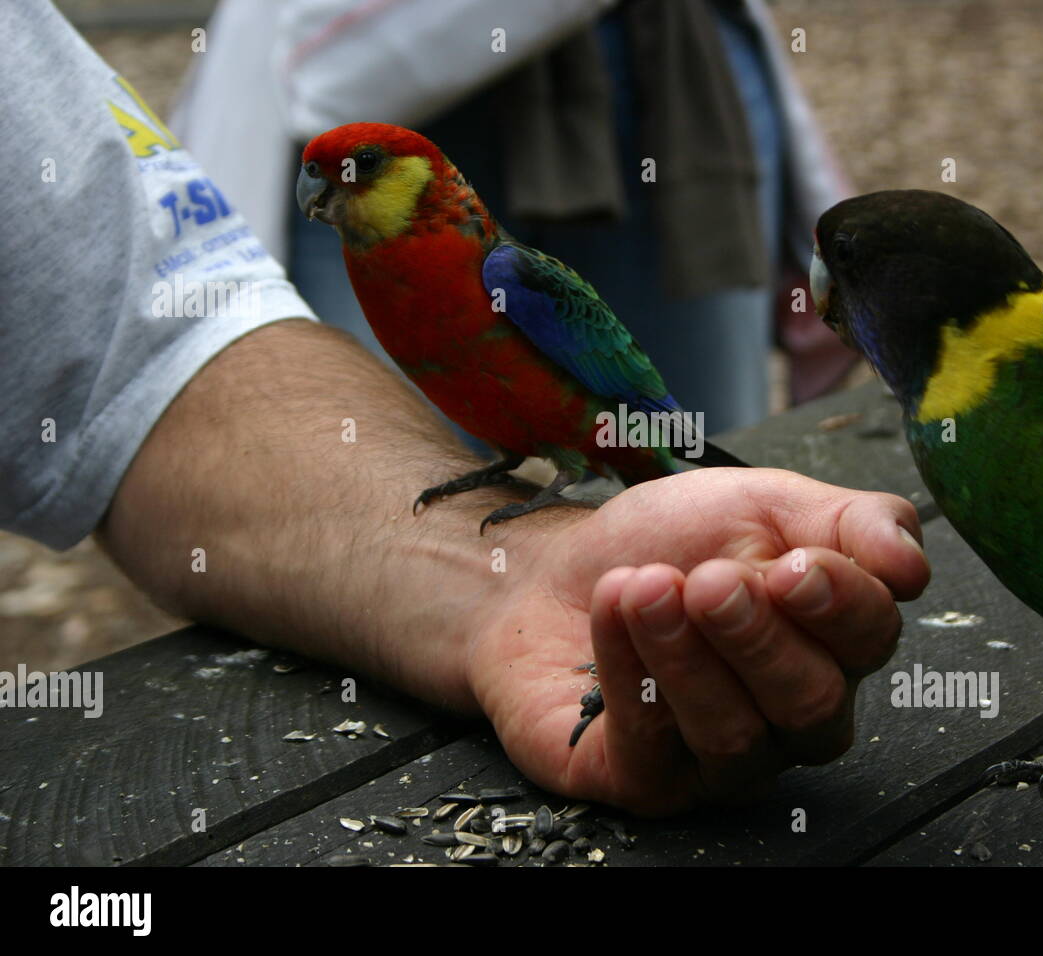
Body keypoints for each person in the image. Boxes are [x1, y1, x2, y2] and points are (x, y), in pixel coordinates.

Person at [0, 0, 928, 814]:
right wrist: (500, 557)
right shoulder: (374, 273)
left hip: (621, 428)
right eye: (325, 174)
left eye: (356, 171)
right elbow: (139, 373)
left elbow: (144, 358)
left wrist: (587, 486)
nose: (326, 191)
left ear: (420, 181)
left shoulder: (506, 276)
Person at [171, 0, 860, 434]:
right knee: (412, 476)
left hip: (662, 58)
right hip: (361, 69)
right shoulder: (349, 179)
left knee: (680, 455)